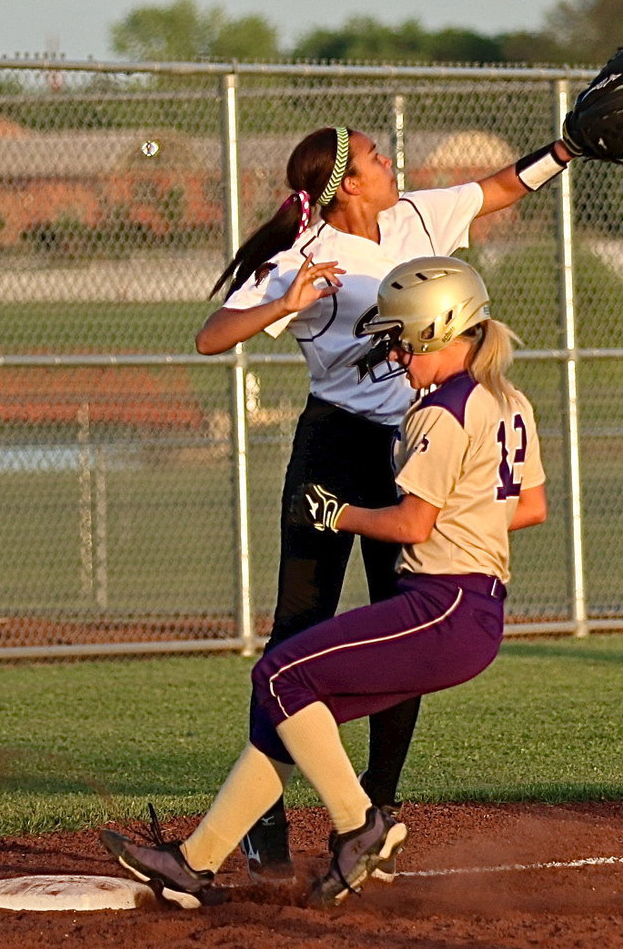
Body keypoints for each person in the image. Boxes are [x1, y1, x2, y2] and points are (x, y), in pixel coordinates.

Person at [103, 256, 547, 907]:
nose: (394, 356)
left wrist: (337, 514)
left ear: (440, 329)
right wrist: (466, 518)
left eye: (401, 340)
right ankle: (193, 864)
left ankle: (359, 825)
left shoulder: (442, 411)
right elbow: (529, 507)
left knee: (277, 676)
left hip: (441, 603)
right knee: (292, 712)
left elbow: (411, 524)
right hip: (471, 610)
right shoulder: (508, 399)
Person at [194, 125, 573, 884]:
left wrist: (565, 150)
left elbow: (499, 188)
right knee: (298, 628)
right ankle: (264, 821)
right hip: (334, 443)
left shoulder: (413, 217)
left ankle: (376, 807)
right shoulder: (300, 253)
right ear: (345, 184)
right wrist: (284, 305)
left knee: (400, 618)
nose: (389, 160)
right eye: (374, 157)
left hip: (409, 442)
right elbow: (212, 337)